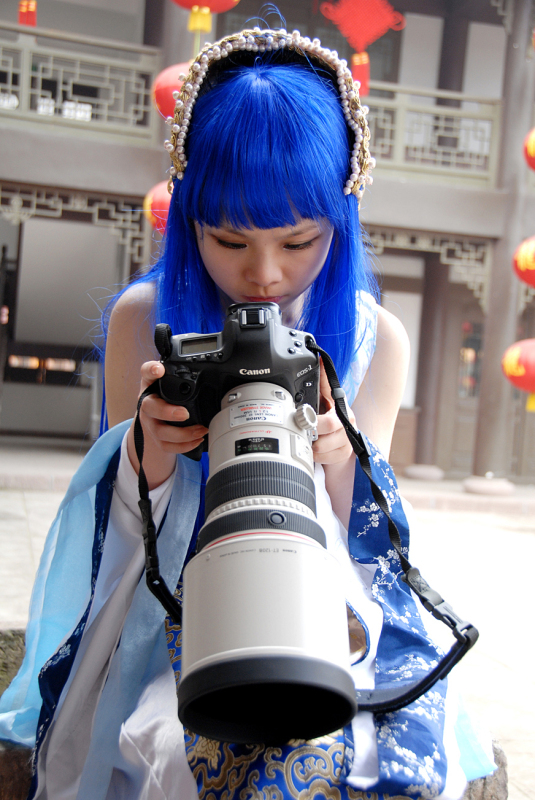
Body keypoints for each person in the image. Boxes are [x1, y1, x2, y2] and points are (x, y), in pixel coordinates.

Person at [0, 27, 495, 800]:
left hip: (317, 597)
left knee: (376, 758)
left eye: (299, 241)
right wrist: (149, 450)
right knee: (173, 748)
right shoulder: (146, 319)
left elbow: (367, 542)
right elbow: (117, 527)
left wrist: (341, 455)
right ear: (188, 218)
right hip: (170, 600)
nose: (263, 274)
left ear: (341, 217)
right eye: (228, 239)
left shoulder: (374, 337)